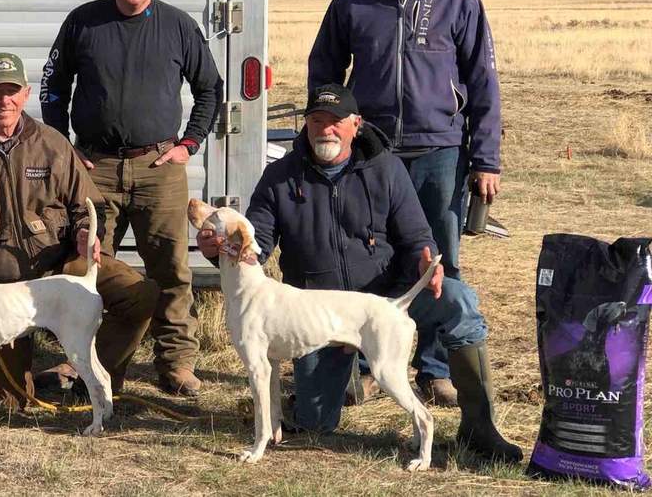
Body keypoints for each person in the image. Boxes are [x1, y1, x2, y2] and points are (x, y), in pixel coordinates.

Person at [197, 84, 521, 462]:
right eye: (316, 121)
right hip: (317, 310)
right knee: (316, 423)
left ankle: (481, 425)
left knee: (457, 299)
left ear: (356, 125)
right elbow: (257, 240)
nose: (325, 130)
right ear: (306, 126)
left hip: (388, 298)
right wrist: (221, 250)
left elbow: (418, 235)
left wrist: (425, 259)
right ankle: (357, 377)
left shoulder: (386, 168)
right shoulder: (280, 176)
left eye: (335, 122)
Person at [307, 0, 503, 407]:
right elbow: (325, 73)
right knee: (373, 255)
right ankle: (373, 364)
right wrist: (333, 132)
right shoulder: (352, 2)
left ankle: (435, 367)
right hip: (371, 152)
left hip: (440, 151)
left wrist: (485, 159)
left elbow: (483, 83)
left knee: (438, 259)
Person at [0, 52, 158, 408]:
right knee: (9, 407)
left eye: (13, 91)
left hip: (61, 265)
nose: (5, 100)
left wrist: (85, 234)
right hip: (0, 289)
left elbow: (90, 206)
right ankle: (39, 378)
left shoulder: (52, 143)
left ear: (27, 94)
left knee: (139, 293)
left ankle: (90, 378)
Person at [40, 0, 223, 396]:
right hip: (95, 165)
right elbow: (52, 87)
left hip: (158, 166)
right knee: (88, 266)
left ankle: (176, 364)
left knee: (171, 269)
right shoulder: (84, 22)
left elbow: (209, 90)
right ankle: (88, 364)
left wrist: (190, 143)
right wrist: (65, 147)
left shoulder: (178, 27)